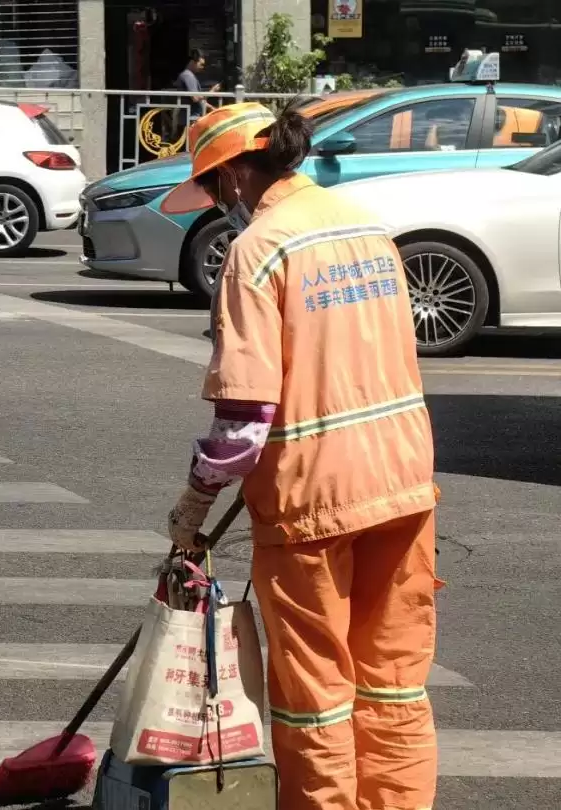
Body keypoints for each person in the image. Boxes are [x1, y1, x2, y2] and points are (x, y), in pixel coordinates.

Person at [160, 101, 441, 810]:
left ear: (232, 177)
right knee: (394, 682)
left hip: (313, 500)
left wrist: (192, 508)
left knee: (314, 696)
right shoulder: (364, 226)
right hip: (404, 481)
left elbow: (245, 418)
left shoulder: (260, 249)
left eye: (217, 188)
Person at [174, 49, 219, 117]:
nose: (202, 67)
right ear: (192, 62)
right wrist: (211, 92)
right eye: (201, 64)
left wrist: (211, 108)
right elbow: (195, 98)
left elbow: (198, 100)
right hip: (191, 119)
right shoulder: (188, 76)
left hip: (193, 117)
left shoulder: (189, 75)